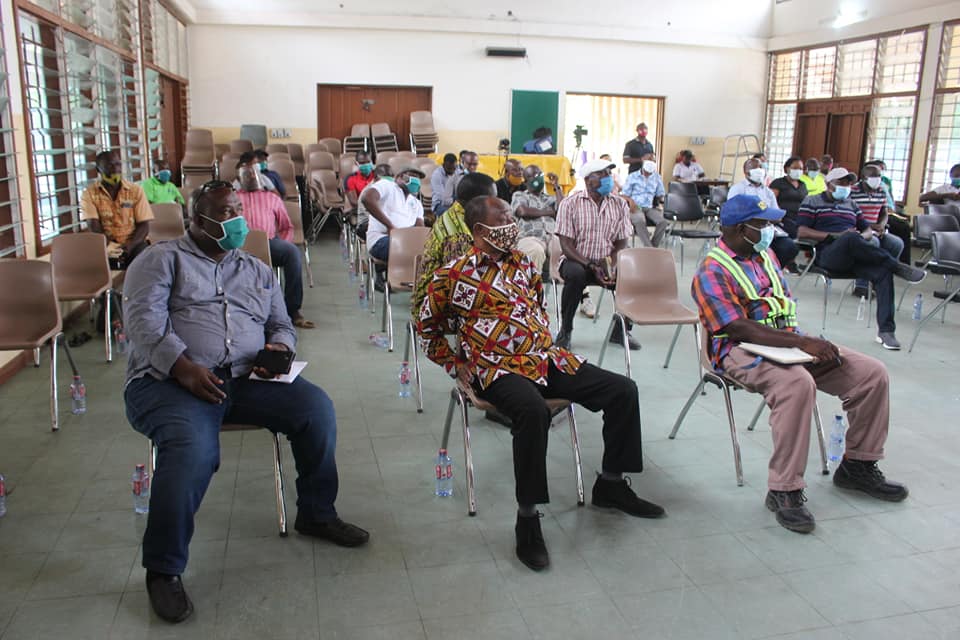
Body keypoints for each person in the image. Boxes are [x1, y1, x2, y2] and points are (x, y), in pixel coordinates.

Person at [123, 180, 368, 624]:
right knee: (192, 451)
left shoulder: (255, 268)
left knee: (316, 411)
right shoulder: (161, 261)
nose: (237, 219)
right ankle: (163, 569)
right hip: (171, 382)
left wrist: (278, 348)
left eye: (238, 208)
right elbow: (144, 324)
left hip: (248, 378)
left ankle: (316, 513)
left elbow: (282, 322)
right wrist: (183, 368)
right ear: (196, 221)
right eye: (225, 211)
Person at [417, 195, 664, 571]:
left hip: (544, 359)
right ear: (481, 230)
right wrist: (454, 363)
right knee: (533, 412)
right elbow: (427, 327)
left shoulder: (523, 265)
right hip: (494, 368)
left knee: (622, 390)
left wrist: (538, 344)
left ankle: (611, 484)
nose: (512, 220)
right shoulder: (451, 275)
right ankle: (528, 518)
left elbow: (534, 308)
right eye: (503, 216)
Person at [691, 194, 909, 534]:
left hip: (788, 344)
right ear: (736, 229)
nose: (770, 231)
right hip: (736, 350)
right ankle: (784, 489)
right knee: (796, 384)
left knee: (871, 373)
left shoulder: (766, 256)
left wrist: (801, 344)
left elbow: (780, 308)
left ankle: (858, 466)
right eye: (761, 225)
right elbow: (736, 326)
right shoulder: (712, 269)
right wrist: (801, 343)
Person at [797, 167, 926, 350]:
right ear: (828, 184)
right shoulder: (813, 201)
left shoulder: (851, 204)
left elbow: (866, 229)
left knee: (882, 273)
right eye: (841, 183)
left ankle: (886, 332)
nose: (846, 186)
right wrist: (836, 235)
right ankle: (897, 266)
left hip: (855, 255)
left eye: (848, 183)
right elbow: (802, 231)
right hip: (829, 255)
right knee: (849, 237)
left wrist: (861, 237)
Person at [555, 159, 640, 350]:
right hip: (576, 260)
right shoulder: (570, 204)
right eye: (602, 174)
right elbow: (566, 245)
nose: (608, 178)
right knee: (576, 275)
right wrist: (591, 265)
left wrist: (611, 263)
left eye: (609, 174)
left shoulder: (619, 204)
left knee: (629, 276)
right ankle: (565, 330)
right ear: (588, 180)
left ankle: (621, 330)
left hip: (606, 262)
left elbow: (621, 242)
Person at [234, 158, 314, 329]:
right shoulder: (234, 198)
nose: (250, 177)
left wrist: (284, 242)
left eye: (252, 174)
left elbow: (286, 226)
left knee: (292, 252)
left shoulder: (272, 198)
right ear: (239, 178)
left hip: (270, 242)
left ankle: (292, 310)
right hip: (239, 245)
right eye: (245, 175)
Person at [413, 172, 497, 312]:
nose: (495, 204)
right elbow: (460, 283)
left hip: (448, 293)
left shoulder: (460, 214)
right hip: (435, 307)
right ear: (476, 202)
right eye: (492, 200)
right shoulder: (458, 236)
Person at [81, 149, 154, 268]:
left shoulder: (135, 190)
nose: (116, 168)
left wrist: (130, 246)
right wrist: (110, 246)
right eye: (110, 165)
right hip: (106, 244)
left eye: (118, 164)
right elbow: (94, 226)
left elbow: (144, 225)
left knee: (141, 263)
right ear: (98, 170)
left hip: (135, 243)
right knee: (93, 264)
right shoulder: (89, 194)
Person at [728, 158, 798, 268]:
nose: (760, 170)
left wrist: (765, 218)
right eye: (756, 168)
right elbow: (732, 214)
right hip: (747, 230)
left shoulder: (767, 192)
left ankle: (773, 269)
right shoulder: (738, 189)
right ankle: (754, 269)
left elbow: (777, 215)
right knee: (753, 248)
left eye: (761, 167)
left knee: (789, 247)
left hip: (768, 229)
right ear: (746, 172)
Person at [851, 163, 905, 298]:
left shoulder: (881, 190)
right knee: (872, 243)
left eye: (879, 176)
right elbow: (849, 214)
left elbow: (884, 212)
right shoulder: (853, 191)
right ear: (864, 177)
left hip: (876, 229)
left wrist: (881, 225)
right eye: (873, 176)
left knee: (896, 243)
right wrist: (868, 226)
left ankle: (879, 280)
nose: (877, 179)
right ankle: (861, 285)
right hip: (859, 230)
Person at [361, 162, 425, 263]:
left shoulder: (416, 203)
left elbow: (420, 229)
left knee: (427, 250)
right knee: (406, 248)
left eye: (418, 178)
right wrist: (390, 226)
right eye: (412, 176)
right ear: (398, 177)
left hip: (406, 242)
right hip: (381, 240)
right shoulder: (387, 186)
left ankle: (407, 278)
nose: (416, 180)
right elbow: (367, 198)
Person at [511, 164, 564, 270]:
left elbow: (563, 210)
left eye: (540, 174)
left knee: (565, 251)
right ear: (525, 181)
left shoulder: (550, 198)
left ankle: (564, 285)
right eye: (533, 175)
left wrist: (556, 186)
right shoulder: (520, 195)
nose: (537, 177)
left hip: (552, 237)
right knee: (535, 251)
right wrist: (550, 213)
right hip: (530, 236)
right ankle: (533, 285)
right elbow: (523, 211)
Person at [621, 159, 668, 247]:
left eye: (650, 173)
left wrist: (660, 201)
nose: (647, 174)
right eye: (646, 172)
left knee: (663, 222)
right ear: (642, 169)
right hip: (636, 206)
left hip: (650, 206)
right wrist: (630, 201)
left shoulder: (656, 177)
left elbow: (660, 194)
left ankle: (652, 246)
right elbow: (624, 195)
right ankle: (650, 248)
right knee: (639, 220)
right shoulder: (632, 176)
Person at [769, 156, 808, 238]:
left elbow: (805, 202)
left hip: (800, 218)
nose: (798, 171)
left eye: (801, 169)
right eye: (795, 168)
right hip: (784, 218)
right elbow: (771, 201)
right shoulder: (778, 183)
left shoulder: (803, 185)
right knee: (795, 231)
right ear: (787, 169)